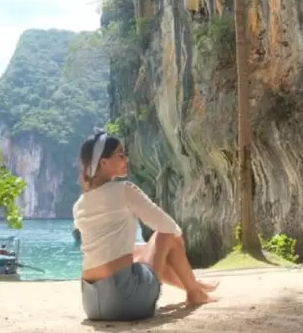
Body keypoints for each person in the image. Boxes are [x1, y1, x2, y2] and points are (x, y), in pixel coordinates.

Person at [73, 130, 217, 321]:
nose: (126, 158)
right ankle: (194, 291)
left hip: (91, 304)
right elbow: (167, 226)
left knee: (140, 250)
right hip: (124, 301)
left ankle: (194, 286)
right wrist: (178, 241)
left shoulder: (79, 204)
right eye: (120, 154)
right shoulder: (124, 190)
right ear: (104, 162)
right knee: (165, 236)